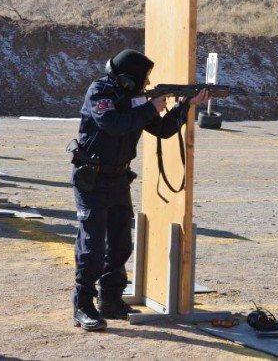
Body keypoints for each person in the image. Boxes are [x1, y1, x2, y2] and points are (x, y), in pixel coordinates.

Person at [70, 49, 208, 331]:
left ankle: (110, 298)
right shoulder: (100, 91)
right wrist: (149, 107)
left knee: (121, 243)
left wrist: (185, 106)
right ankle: (83, 304)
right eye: (143, 79)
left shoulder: (137, 99)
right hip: (92, 179)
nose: (146, 84)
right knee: (92, 246)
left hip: (118, 179)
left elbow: (163, 130)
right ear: (128, 78)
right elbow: (112, 124)